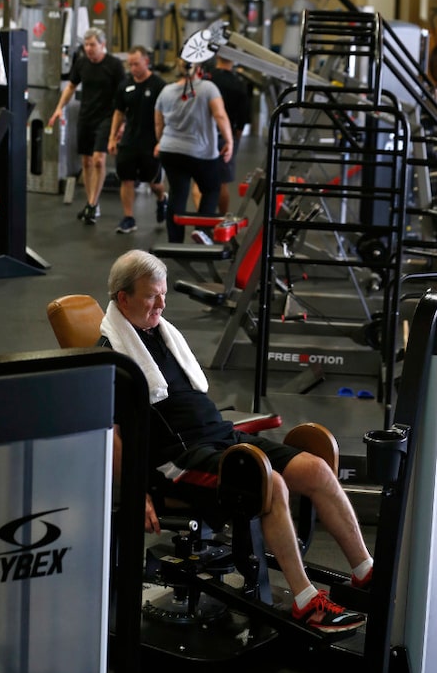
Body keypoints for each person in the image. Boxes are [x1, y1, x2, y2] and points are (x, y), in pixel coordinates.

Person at [101, 250, 372, 637]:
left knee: (315, 466)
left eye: (163, 295)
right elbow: (111, 432)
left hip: (222, 437)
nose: (161, 304)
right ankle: (305, 602)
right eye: (151, 296)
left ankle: (365, 573)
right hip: (178, 459)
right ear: (122, 298)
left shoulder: (160, 333)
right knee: (268, 483)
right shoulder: (112, 355)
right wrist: (135, 493)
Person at [48, 27, 126, 225]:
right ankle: (94, 204)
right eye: (86, 45)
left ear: (103, 45)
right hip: (86, 117)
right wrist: (59, 108)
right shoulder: (82, 63)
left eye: (93, 45)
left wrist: (123, 122)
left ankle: (91, 204)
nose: (89, 49)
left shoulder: (114, 65)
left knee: (99, 160)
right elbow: (71, 87)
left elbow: (123, 95)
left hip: (107, 117)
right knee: (86, 163)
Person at [154, 61, 232, 244]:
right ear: (199, 68)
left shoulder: (166, 91)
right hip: (200, 152)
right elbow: (220, 115)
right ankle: (203, 230)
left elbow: (158, 123)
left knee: (177, 193)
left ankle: (175, 240)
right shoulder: (208, 88)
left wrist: (160, 142)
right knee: (211, 189)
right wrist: (229, 140)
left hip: (170, 150)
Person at [107, 46, 168, 234]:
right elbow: (118, 112)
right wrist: (111, 138)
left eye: (136, 64)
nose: (132, 68)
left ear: (146, 62)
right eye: (130, 64)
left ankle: (162, 199)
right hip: (129, 140)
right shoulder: (125, 85)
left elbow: (166, 116)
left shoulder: (159, 85)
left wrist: (162, 141)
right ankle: (129, 218)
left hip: (151, 142)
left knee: (154, 183)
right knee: (126, 179)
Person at [209, 54, 250, 215]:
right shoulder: (238, 83)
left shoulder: (207, 80)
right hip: (227, 135)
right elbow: (243, 116)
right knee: (222, 182)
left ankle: (202, 221)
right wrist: (235, 138)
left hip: (205, 133)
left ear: (218, 56)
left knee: (199, 182)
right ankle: (221, 219)